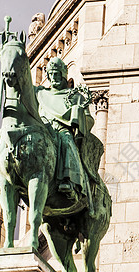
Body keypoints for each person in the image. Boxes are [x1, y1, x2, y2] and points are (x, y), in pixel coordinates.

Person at [35, 57, 94, 209]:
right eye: (51, 74)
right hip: (42, 129)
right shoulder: (40, 94)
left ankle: (69, 182)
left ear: (64, 76)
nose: (54, 78)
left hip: (61, 131)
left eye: (57, 74)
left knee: (66, 140)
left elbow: (88, 121)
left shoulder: (75, 96)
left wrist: (78, 113)